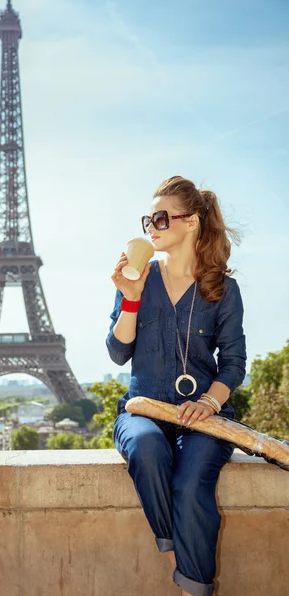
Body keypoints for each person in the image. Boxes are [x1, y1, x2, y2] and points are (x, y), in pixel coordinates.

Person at [107, 176, 247, 596]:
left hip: (202, 417)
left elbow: (234, 364)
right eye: (148, 217)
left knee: (190, 485)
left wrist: (209, 402)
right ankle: (177, 554)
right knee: (146, 447)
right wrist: (130, 298)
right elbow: (117, 353)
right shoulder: (138, 278)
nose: (152, 224)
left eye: (162, 217)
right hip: (143, 410)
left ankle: (193, 589)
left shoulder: (223, 289)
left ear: (191, 222)